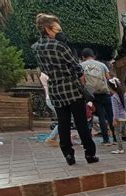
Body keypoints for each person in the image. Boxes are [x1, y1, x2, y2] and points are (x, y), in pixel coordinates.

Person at [32, 13, 98, 166]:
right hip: (71, 88)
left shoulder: (35, 48)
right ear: (48, 29)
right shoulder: (60, 46)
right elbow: (75, 66)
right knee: (81, 122)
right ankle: (89, 153)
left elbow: (43, 69)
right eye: (57, 29)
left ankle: (68, 154)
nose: (59, 32)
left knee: (63, 123)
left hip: (55, 89)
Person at [81, 48, 115, 146]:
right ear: (93, 55)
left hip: (93, 94)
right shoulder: (102, 65)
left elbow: (82, 81)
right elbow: (109, 79)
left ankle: (106, 139)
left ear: (83, 57)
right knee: (110, 115)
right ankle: (116, 138)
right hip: (105, 92)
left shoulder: (81, 66)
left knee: (101, 116)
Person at [39, 72, 59, 147]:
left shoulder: (45, 73)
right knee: (64, 119)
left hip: (51, 98)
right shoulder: (46, 74)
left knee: (64, 119)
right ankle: (51, 138)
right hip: (52, 99)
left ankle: (53, 137)